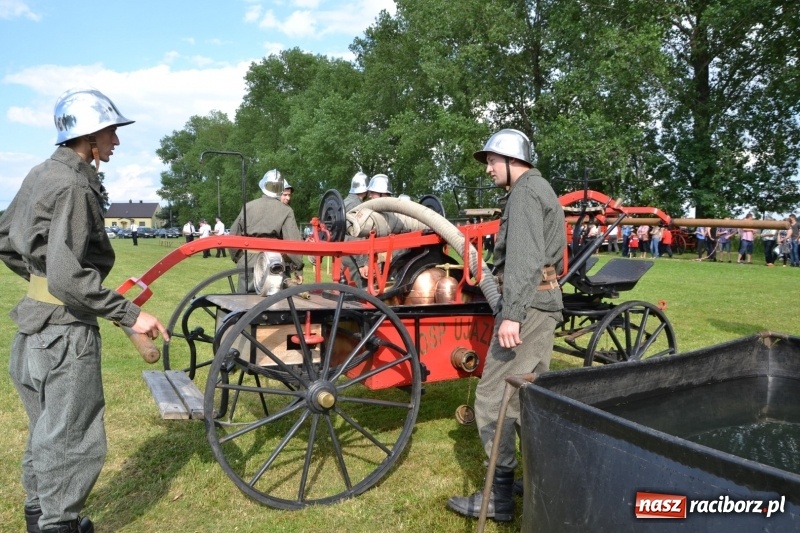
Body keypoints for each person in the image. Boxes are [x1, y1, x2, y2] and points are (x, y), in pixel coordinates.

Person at [0, 87, 168, 533]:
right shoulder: (74, 184)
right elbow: (68, 277)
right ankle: (58, 525)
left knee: (47, 434)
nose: (117, 141)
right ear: (89, 137)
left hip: (32, 334)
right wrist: (132, 315)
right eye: (112, 131)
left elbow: (4, 239)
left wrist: (41, 281)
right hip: (64, 337)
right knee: (72, 439)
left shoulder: (40, 173)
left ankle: (41, 517)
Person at [447, 129, 566, 522]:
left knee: (493, 398)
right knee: (525, 400)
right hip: (538, 304)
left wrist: (512, 313)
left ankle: (497, 500)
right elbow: (555, 262)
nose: (489, 169)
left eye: (493, 161)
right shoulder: (539, 188)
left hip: (526, 309)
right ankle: (527, 480)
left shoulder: (526, 193)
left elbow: (525, 258)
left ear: (514, 160)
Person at [229, 169, 304, 292]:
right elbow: (293, 243)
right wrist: (298, 268)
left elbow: (233, 236)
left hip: (248, 263)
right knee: (274, 306)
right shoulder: (286, 210)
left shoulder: (248, 207)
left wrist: (241, 258)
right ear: (280, 189)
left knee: (243, 305)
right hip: (274, 263)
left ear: (263, 186)